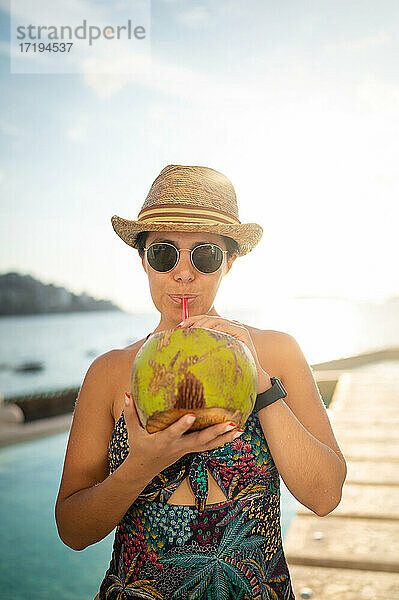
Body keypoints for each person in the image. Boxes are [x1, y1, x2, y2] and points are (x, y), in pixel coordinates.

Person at [55, 164, 347, 600]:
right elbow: (73, 530)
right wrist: (143, 464)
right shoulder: (110, 372)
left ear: (229, 262)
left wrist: (260, 382)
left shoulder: (275, 353)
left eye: (206, 255)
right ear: (143, 260)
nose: (184, 273)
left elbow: (324, 495)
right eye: (164, 254)